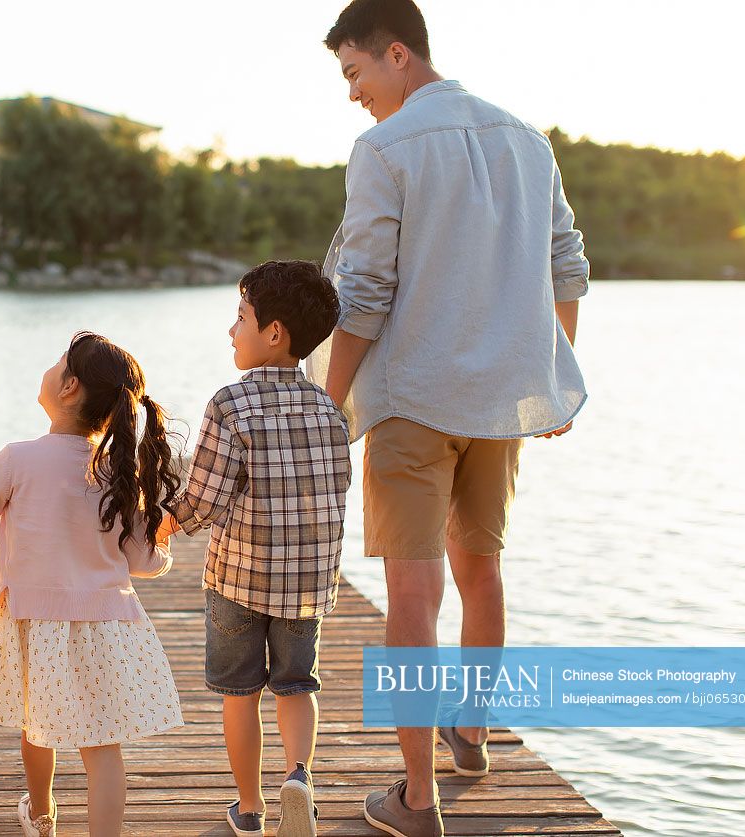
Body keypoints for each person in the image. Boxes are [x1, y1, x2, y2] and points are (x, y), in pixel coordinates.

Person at [310, 2, 589, 835]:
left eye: (356, 72)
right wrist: (547, 375)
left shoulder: (383, 149)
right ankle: (468, 733)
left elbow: (362, 294)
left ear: (399, 54)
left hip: (410, 399)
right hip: (497, 404)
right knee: (480, 570)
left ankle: (416, 797)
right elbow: (566, 266)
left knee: (412, 589)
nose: (353, 94)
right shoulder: (527, 140)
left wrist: (328, 405)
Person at [0, 332, 184, 837]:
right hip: (103, 625)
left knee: (38, 720)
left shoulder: (17, 458)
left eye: (59, 362)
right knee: (102, 747)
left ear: (70, 387)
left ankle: (41, 815)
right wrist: (164, 540)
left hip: (34, 620)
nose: (52, 368)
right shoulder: (117, 472)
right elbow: (143, 561)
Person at [160, 260, 351, 837]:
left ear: (274, 333)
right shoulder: (330, 412)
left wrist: (165, 520)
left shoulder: (229, 404)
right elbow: (336, 493)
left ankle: (249, 809)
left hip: (239, 579)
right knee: (296, 686)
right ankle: (298, 778)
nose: (231, 330)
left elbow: (206, 500)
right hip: (306, 586)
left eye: (240, 317)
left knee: (240, 694)